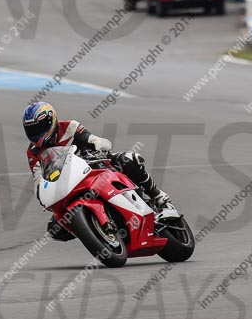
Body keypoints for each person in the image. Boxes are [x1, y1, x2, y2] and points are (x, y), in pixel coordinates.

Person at [22, 102, 172, 241]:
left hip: (94, 165)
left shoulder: (69, 126)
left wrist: (100, 146)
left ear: (51, 120)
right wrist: (42, 193)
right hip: (68, 184)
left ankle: (158, 196)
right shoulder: (33, 152)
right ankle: (92, 229)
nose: (35, 133)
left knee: (129, 159)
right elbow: (38, 179)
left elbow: (93, 139)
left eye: (38, 128)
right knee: (54, 229)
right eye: (31, 130)